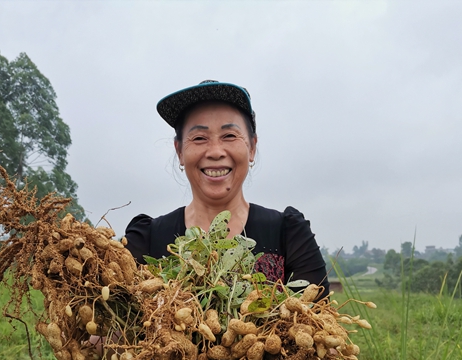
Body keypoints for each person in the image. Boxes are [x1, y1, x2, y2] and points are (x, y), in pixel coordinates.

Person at [125, 80, 329, 295]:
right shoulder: (146, 240)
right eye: (199, 138)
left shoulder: (288, 234)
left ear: (251, 147)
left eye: (229, 136)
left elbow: (316, 320)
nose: (215, 151)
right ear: (179, 152)